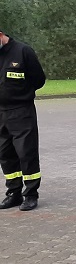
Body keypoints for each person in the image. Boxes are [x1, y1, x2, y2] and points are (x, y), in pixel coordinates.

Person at [0, 28, 46, 211]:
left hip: (21, 111)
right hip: (1, 112)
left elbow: (38, 79)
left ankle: (31, 194)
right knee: (5, 154)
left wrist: (22, 93)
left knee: (26, 153)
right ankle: (14, 193)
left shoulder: (23, 51)